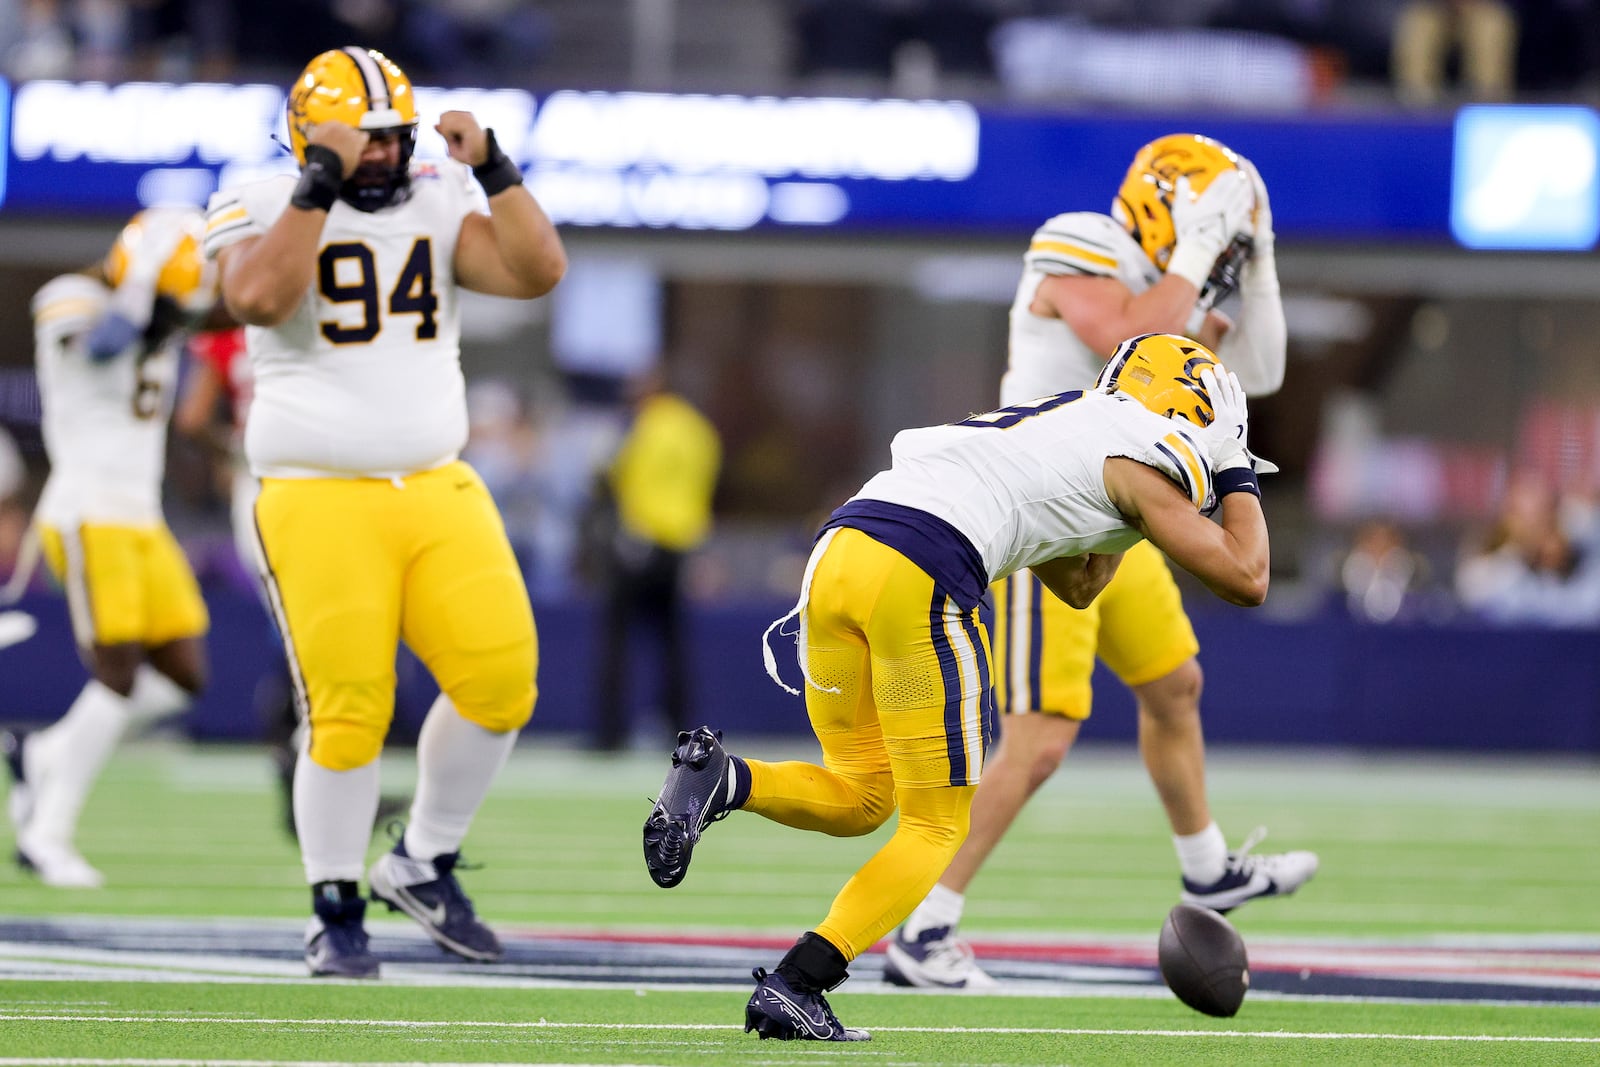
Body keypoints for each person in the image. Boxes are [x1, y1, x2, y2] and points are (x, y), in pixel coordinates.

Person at [642, 332, 1274, 1041]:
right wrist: (1231, 468)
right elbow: (1247, 577)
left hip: (842, 550)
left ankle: (723, 778)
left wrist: (1126, 531)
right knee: (937, 823)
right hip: (923, 565)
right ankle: (798, 983)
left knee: (864, 795)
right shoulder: (1151, 456)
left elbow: (1077, 582)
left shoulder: (1067, 419)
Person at [887, 132, 1317, 989]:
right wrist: (1199, 249)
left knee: (1173, 684)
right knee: (1041, 736)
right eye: (1212, 207)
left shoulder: (1180, 279)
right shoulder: (1082, 239)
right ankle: (923, 926)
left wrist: (1256, 258)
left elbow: (1256, 373)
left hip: (1118, 511)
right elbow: (1133, 330)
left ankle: (1207, 867)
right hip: (1043, 507)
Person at [203, 45, 566, 979]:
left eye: (390, 140)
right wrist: (316, 183)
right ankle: (335, 904)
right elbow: (255, 295)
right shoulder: (256, 194)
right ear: (309, 138)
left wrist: (493, 168)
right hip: (315, 489)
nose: (381, 156)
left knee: (502, 681)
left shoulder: (440, 193)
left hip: (436, 480)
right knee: (348, 709)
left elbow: (536, 270)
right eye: (358, 141)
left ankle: (422, 860)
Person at [2, 206, 219, 888]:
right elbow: (100, 345)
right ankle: (47, 833)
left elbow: (226, 310)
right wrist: (142, 281)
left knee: (185, 674)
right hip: (87, 509)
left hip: (141, 514)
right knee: (117, 674)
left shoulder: (164, 305)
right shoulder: (69, 295)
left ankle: (49, 748)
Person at [171, 328, 407, 839]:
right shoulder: (316, 320)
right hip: (303, 492)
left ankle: (314, 787)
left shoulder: (239, 329)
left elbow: (193, 419)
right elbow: (191, 418)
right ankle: (310, 787)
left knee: (314, 641)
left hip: (268, 492)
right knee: (319, 644)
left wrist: (236, 453)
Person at [588, 373, 721, 751]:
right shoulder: (698, 430)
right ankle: (678, 729)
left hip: (640, 543)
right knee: (673, 643)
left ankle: (610, 734)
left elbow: (615, 475)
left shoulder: (643, 427)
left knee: (616, 640)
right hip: (680, 545)